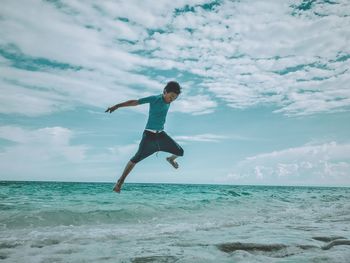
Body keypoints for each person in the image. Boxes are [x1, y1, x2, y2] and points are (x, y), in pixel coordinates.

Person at [105, 81, 184, 193]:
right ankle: (120, 183)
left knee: (180, 151)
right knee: (135, 159)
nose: (171, 100)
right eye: (171, 97)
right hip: (149, 136)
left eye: (174, 98)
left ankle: (170, 159)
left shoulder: (169, 101)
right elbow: (135, 102)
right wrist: (117, 106)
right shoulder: (154, 99)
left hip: (161, 135)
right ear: (165, 92)